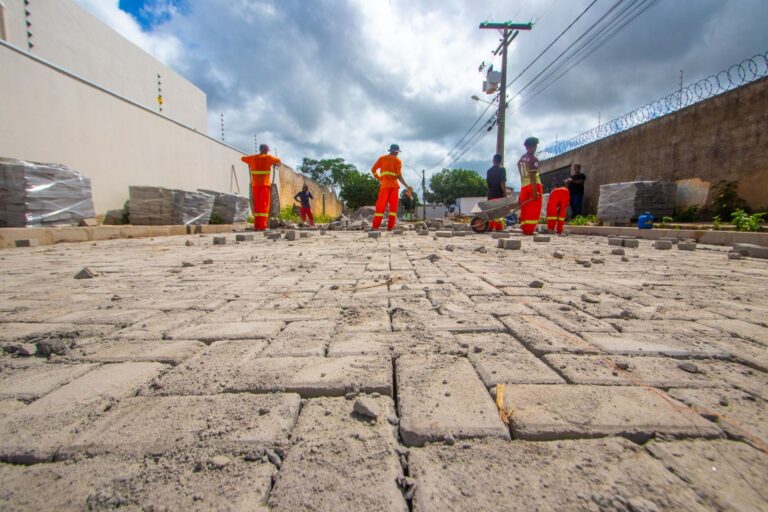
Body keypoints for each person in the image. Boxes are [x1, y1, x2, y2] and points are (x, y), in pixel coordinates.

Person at [370, 144, 413, 231]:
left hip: (384, 186)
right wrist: (407, 186)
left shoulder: (382, 159)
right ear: (396, 152)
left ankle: (375, 227)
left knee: (380, 206)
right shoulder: (398, 161)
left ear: (390, 151)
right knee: (393, 208)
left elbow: (373, 170)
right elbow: (399, 176)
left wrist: (380, 179)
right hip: (394, 187)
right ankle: (390, 227)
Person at [241, 144, 280, 230]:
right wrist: (274, 163)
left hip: (255, 185)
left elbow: (242, 158)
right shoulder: (268, 158)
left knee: (257, 206)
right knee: (264, 205)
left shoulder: (252, 158)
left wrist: (251, 161)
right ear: (266, 150)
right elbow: (278, 160)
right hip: (264, 185)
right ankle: (262, 225)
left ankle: (257, 225)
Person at [517, 137, 543, 235]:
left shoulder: (522, 159)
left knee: (525, 208)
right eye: (535, 146)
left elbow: (519, 168)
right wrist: (534, 190)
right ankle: (530, 230)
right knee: (533, 208)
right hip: (533, 185)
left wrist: (524, 180)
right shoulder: (534, 159)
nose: (535, 148)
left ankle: (525, 228)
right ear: (531, 147)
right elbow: (532, 176)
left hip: (524, 186)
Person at [486, 153, 507, 232]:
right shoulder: (502, 169)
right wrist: (505, 193)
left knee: (491, 211)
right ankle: (498, 227)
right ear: (500, 161)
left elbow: (488, 184)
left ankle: (490, 227)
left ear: (493, 161)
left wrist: (488, 194)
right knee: (498, 212)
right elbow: (502, 182)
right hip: (498, 194)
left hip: (491, 194)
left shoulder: (489, 171)